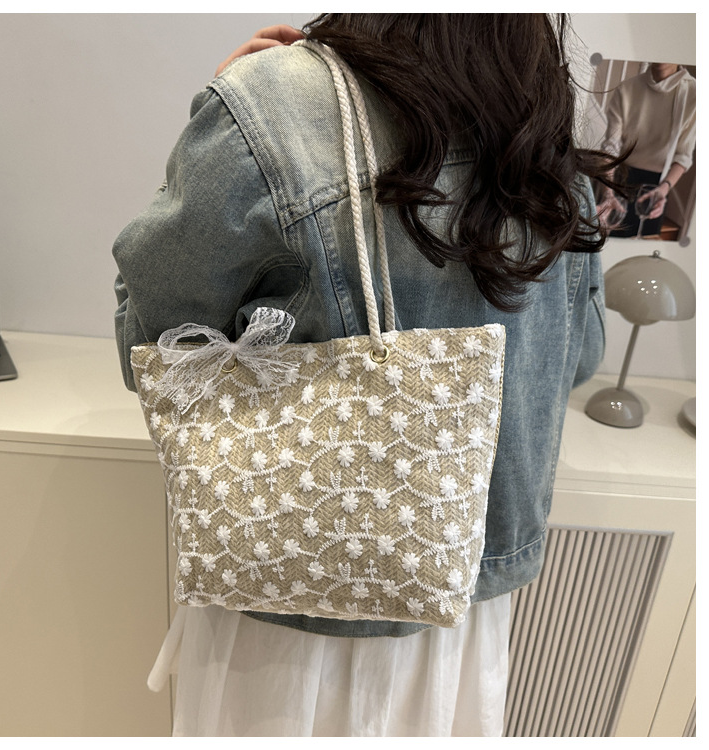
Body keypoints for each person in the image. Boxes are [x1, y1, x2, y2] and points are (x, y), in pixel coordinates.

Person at [112, 14, 616, 736]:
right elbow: (582, 353)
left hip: (288, 619)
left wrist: (226, 128)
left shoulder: (273, 103)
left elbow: (156, 354)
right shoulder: (541, 119)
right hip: (462, 613)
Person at [596, 62, 696, 238]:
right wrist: (608, 192)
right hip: (619, 181)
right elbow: (611, 147)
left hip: (658, 186)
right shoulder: (627, 88)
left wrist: (663, 189)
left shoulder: (695, 93)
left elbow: (683, 156)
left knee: (644, 249)